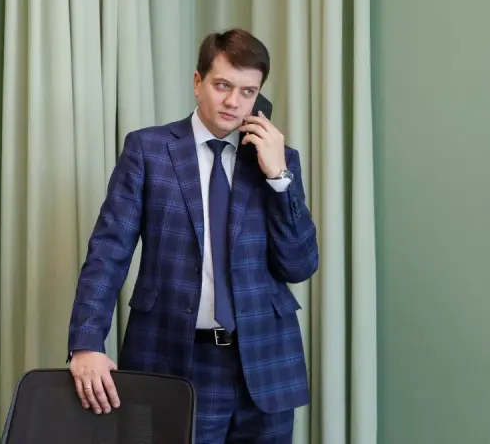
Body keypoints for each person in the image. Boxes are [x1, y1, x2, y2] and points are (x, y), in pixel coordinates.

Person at [67, 29, 319, 443]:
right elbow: (109, 251)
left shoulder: (277, 160)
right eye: (223, 86)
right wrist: (86, 342)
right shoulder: (148, 150)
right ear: (198, 82)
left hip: (264, 362)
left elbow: (299, 265)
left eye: (248, 92)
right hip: (173, 356)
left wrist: (279, 178)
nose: (234, 102)